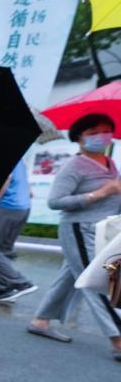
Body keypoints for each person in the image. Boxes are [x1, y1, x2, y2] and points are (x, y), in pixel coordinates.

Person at [28, 113, 121, 360]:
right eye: (93, 133)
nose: (101, 136)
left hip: (103, 231)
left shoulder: (110, 164)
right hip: (81, 230)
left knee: (71, 276)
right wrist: (99, 194)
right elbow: (56, 201)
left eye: (106, 131)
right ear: (79, 138)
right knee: (98, 280)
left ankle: (40, 321)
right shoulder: (74, 166)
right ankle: (118, 339)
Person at [0, 160, 37, 303]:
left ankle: (20, 283)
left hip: (5, 207)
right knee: (4, 249)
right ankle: (2, 287)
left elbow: (6, 177)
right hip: (22, 207)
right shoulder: (17, 157)